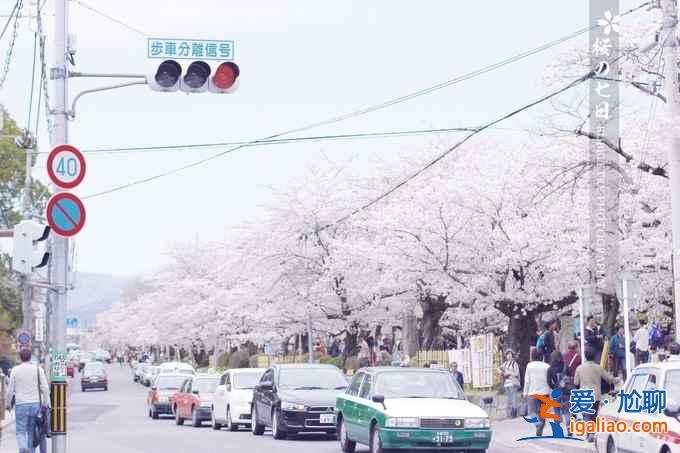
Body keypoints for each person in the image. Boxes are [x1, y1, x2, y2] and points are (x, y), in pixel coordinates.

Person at [5, 349, 50, 453]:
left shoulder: (15, 370)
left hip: (21, 404)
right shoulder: (38, 369)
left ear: (20, 358)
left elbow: (10, 391)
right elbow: (46, 389)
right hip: (35, 404)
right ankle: (29, 450)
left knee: (20, 431)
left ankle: (23, 447)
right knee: (31, 432)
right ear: (30, 357)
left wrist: (8, 404)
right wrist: (45, 404)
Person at [574, 346, 620, 442]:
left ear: (585, 356)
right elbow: (609, 379)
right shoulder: (598, 368)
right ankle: (591, 433)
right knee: (594, 414)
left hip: (584, 395)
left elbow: (576, 382)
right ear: (594, 356)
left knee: (586, 415)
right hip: (596, 395)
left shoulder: (579, 368)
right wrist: (618, 379)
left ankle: (590, 433)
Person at [523, 348, 551, 437]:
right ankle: (540, 430)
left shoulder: (529, 366)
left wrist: (525, 392)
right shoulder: (546, 366)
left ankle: (537, 423)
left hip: (533, 392)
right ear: (542, 356)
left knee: (532, 411)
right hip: (545, 392)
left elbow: (527, 380)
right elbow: (549, 380)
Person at [500, 350, 520, 418]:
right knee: (509, 399)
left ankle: (514, 413)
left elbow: (516, 373)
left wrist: (509, 373)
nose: (509, 355)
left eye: (510, 354)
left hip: (512, 382)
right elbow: (499, 369)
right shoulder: (505, 363)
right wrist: (502, 373)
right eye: (508, 354)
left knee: (513, 398)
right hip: (506, 383)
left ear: (512, 355)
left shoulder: (514, 363)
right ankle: (510, 413)